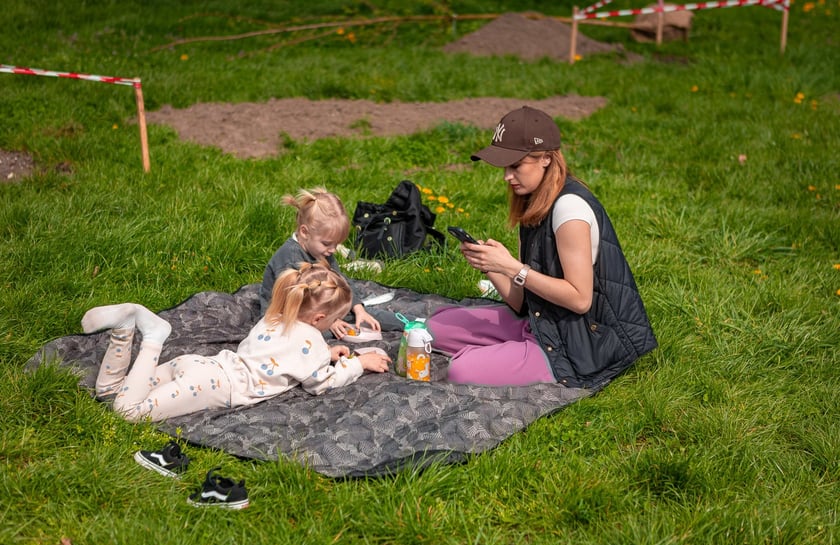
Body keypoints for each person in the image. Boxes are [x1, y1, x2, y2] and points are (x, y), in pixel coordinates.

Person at [427, 106, 657, 388]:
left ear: (546, 158)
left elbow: (580, 299)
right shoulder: (533, 201)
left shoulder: (569, 209)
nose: (507, 177)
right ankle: (503, 354)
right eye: (504, 167)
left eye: (516, 166)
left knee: (460, 371)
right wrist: (492, 267)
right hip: (542, 322)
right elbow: (522, 302)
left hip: (583, 343)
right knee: (433, 330)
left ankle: (498, 358)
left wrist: (512, 266)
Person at [83, 262, 392, 422]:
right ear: (318, 319)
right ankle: (153, 337)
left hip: (203, 365)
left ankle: (124, 328)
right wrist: (358, 363)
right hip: (213, 386)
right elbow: (321, 383)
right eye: (331, 321)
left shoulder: (275, 316)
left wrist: (325, 351)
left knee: (111, 393)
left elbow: (284, 353)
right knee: (128, 413)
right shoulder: (310, 343)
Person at [259, 187, 400, 339]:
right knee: (323, 335)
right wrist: (330, 322)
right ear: (304, 232)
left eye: (336, 244)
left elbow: (340, 281)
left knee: (364, 317)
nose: (332, 250)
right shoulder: (290, 259)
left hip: (320, 309)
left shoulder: (322, 251)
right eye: (327, 244)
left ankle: (417, 324)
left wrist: (358, 309)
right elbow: (293, 305)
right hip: (288, 316)